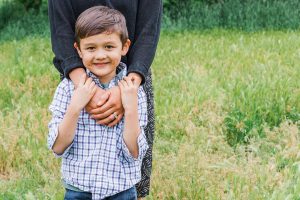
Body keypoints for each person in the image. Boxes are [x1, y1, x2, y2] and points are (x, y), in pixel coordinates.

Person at [48, 1, 162, 198]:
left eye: (107, 46)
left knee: (137, 182)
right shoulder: (67, 91)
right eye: (92, 48)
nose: (100, 54)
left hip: (132, 77)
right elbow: (60, 26)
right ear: (80, 48)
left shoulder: (135, 96)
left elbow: (149, 28)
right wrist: (82, 88)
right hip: (78, 76)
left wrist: (130, 88)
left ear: (124, 46)